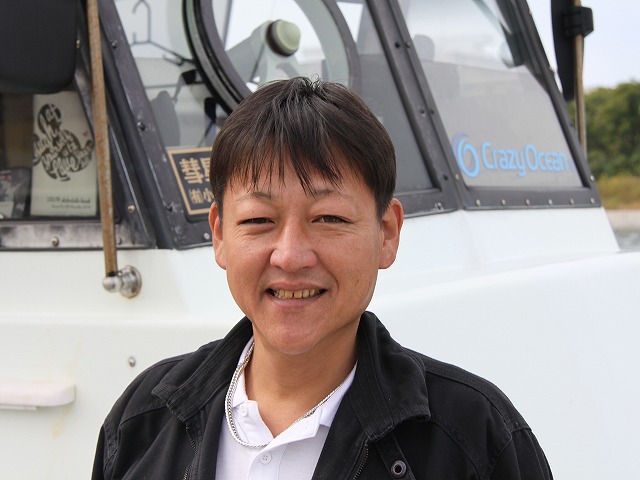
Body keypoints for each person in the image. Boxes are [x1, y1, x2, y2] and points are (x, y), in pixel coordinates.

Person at [92, 77, 553, 480]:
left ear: (387, 233)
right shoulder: (143, 419)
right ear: (220, 235)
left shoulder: (475, 440)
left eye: (329, 218)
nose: (290, 256)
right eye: (258, 220)